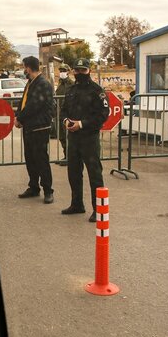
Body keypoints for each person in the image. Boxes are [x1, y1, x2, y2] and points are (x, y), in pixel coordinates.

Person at [60, 58, 109, 222]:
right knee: (73, 172)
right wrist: (66, 121)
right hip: (73, 138)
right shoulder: (71, 89)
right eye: (77, 70)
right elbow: (64, 110)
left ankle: (98, 210)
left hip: (89, 137)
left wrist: (81, 124)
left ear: (89, 71)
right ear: (73, 71)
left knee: (94, 174)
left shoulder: (97, 91)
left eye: (83, 70)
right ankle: (77, 204)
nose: (80, 73)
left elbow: (102, 115)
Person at [15, 56, 55, 204]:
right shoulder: (31, 82)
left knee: (41, 160)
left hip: (40, 127)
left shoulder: (43, 84)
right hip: (29, 127)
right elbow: (24, 101)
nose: (23, 70)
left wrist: (20, 118)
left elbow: (34, 105)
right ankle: (33, 187)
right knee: (30, 159)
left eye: (24, 67)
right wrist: (18, 115)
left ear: (29, 68)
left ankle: (48, 190)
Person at [54, 63, 74, 166]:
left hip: (68, 113)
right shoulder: (60, 84)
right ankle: (65, 156)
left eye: (64, 71)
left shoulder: (71, 84)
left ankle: (70, 158)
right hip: (59, 113)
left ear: (68, 72)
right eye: (61, 71)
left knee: (67, 136)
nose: (62, 72)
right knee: (61, 136)